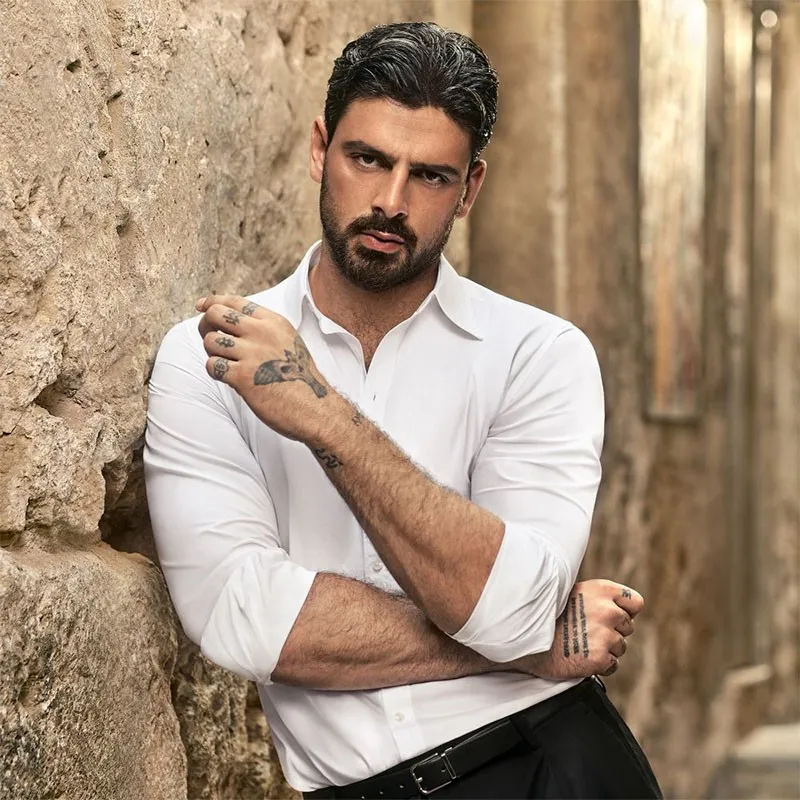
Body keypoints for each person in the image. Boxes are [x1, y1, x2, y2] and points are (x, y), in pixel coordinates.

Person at [144, 21, 662, 800]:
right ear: (320, 149)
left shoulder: (539, 354)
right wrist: (529, 646)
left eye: (429, 176)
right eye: (367, 159)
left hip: (551, 765)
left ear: (470, 189)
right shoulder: (207, 357)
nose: (390, 201)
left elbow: (515, 605)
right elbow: (240, 620)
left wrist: (324, 415)